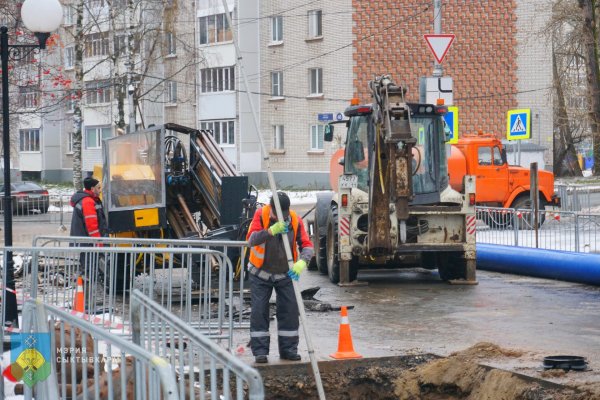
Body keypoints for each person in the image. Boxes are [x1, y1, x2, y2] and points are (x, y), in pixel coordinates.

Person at [246, 191, 314, 364]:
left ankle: (288, 350)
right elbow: (251, 240)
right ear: (271, 208)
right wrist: (269, 231)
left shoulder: (295, 220)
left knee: (290, 311)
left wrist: (302, 263)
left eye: (283, 214)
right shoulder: (261, 215)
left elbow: (307, 245)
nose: (280, 218)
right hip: (260, 274)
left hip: (285, 274)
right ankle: (260, 352)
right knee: (259, 311)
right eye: (277, 215)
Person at [70, 177, 108, 275]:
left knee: (88, 265)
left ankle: (88, 281)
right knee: (90, 269)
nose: (100, 191)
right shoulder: (88, 202)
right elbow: (92, 227)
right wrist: (99, 243)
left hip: (86, 242)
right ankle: (89, 286)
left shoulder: (88, 199)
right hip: (88, 242)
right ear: (92, 189)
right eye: (98, 188)